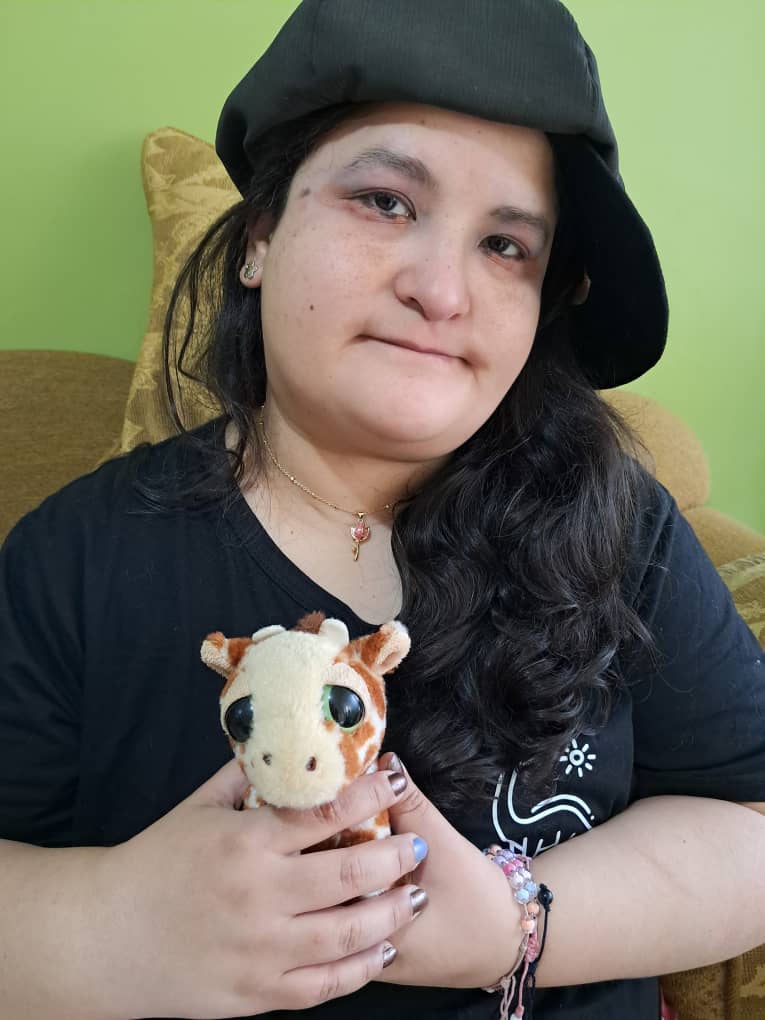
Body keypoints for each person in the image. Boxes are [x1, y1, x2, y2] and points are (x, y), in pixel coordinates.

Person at [1, 1, 764, 1018]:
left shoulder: (625, 530)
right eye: (386, 202)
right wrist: (108, 923)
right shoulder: (76, 559)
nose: (442, 291)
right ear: (259, 236)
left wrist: (515, 926)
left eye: (506, 246)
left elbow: (747, 817)